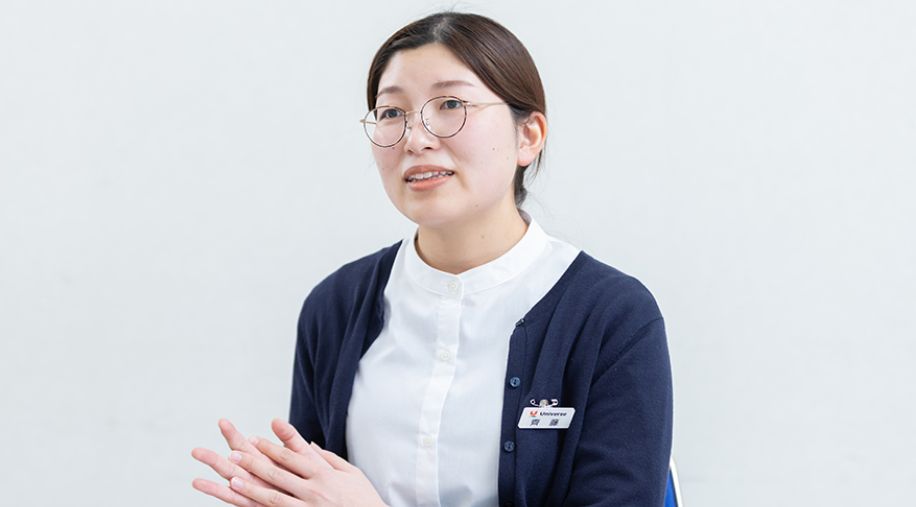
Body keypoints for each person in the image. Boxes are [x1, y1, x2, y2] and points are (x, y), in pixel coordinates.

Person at [192, 11, 672, 507]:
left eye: (450, 104)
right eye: (391, 113)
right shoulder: (335, 306)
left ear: (528, 135)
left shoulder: (612, 316)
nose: (415, 138)